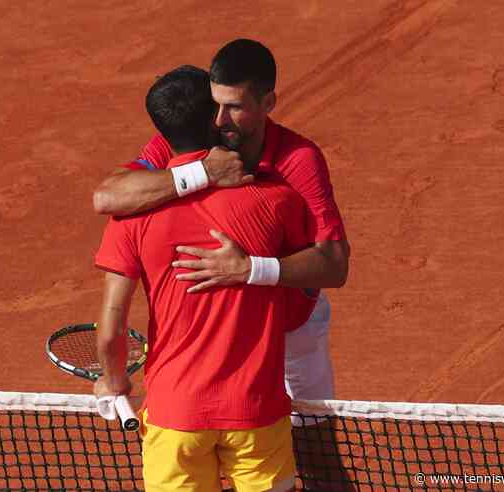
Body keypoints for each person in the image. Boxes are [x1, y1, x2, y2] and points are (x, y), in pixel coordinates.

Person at [93, 39, 352, 489]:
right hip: (230, 357)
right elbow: (108, 196)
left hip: (292, 326)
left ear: (267, 103)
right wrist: (204, 173)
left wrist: (251, 268)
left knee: (317, 455)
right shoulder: (193, 138)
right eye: (214, 105)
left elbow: (334, 265)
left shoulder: (299, 160)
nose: (218, 120)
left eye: (233, 108)